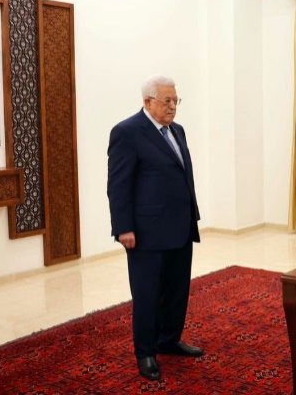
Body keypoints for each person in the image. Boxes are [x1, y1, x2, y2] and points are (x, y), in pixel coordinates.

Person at [107, 75, 203, 381]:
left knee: (177, 291)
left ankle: (169, 339)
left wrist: (193, 216)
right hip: (146, 232)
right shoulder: (127, 132)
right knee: (148, 294)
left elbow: (182, 176)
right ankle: (145, 352)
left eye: (176, 100)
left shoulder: (178, 131)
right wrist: (123, 228)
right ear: (148, 102)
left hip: (180, 227)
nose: (173, 106)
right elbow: (119, 185)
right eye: (167, 101)